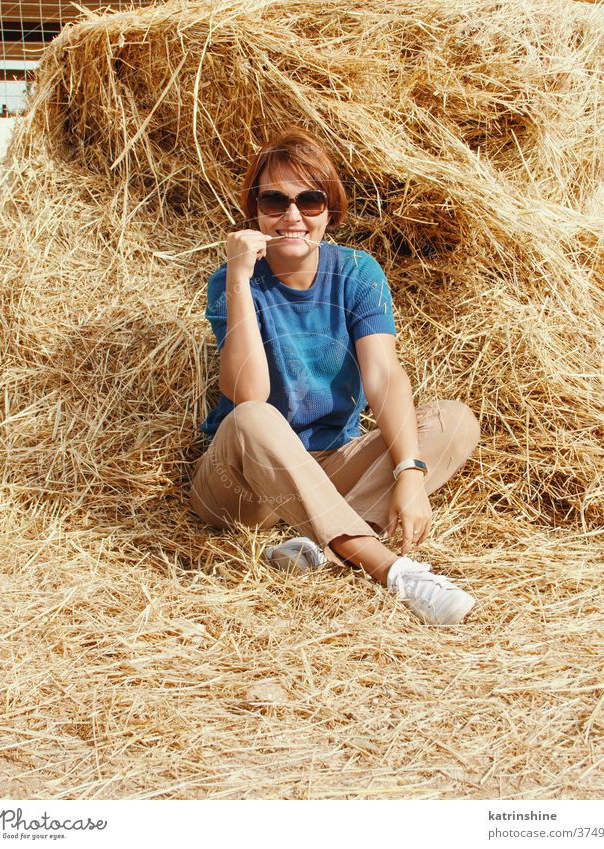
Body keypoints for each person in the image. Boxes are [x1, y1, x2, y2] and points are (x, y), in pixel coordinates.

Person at [189, 127, 481, 626]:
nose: (292, 216)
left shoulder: (356, 272)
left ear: (331, 207)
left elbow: (383, 374)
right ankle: (389, 568)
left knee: (453, 421)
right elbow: (248, 391)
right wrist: (238, 278)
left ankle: (316, 546)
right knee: (255, 416)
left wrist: (409, 475)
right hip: (241, 484)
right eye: (274, 200)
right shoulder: (232, 281)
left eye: (309, 199)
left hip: (327, 462)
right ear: (255, 210)